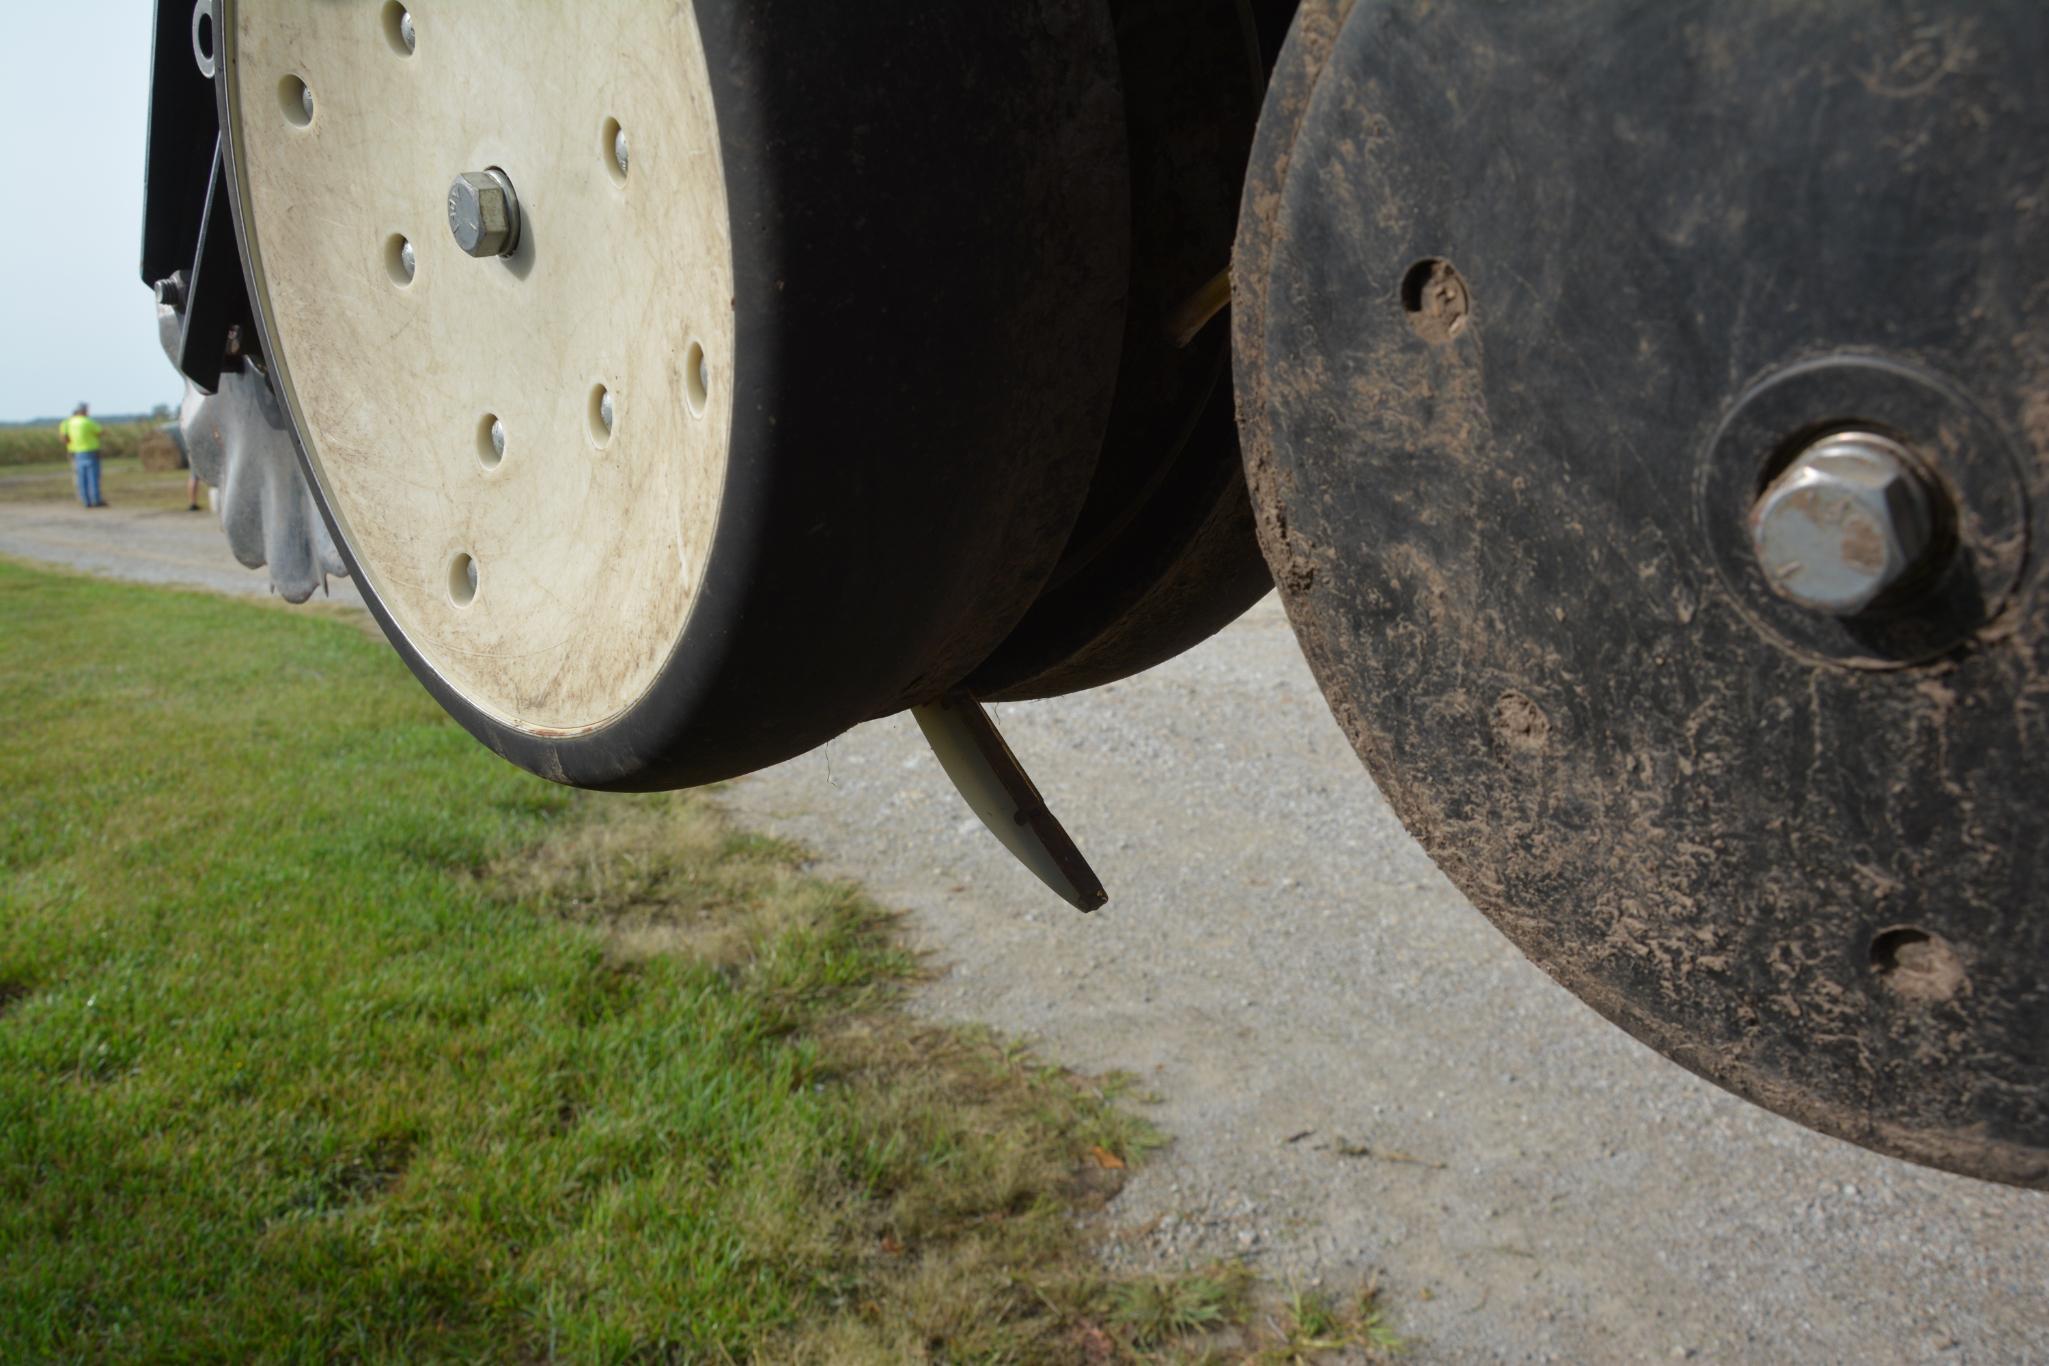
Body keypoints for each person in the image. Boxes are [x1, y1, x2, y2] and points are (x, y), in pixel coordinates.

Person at [57, 402, 105, 509]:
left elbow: (63, 438)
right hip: (91, 451)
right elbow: (100, 432)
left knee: (80, 477)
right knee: (93, 476)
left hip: (75, 452)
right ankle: (96, 499)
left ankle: (85, 500)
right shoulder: (88, 421)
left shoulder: (67, 423)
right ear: (83, 411)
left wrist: (71, 444)